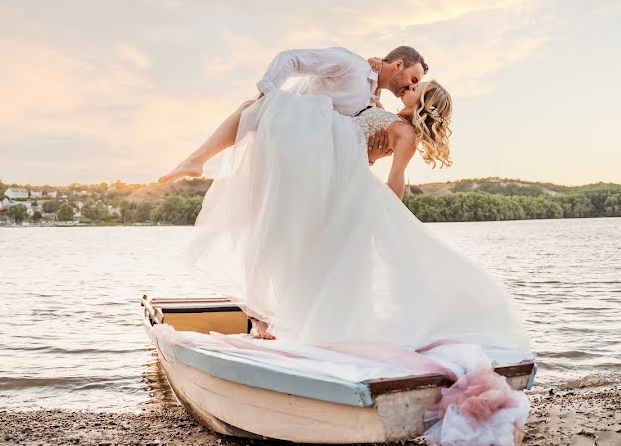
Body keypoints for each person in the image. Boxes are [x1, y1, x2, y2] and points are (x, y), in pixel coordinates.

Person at [177, 75, 530, 351]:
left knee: (296, 231)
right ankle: (270, 315)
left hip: (338, 171)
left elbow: (396, 179)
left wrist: (385, 216)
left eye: (416, 87)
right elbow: (362, 147)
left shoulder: (406, 133)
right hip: (329, 161)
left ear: (423, 101)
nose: (409, 87)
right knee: (289, 227)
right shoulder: (391, 117)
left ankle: (271, 317)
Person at [157, 46, 428, 186]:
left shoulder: (372, 100)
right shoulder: (351, 64)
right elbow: (291, 58)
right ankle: (196, 161)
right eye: (413, 78)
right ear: (398, 64)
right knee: (248, 108)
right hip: (293, 128)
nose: (410, 85)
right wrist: (268, 96)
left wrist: (371, 157)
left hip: (311, 163)